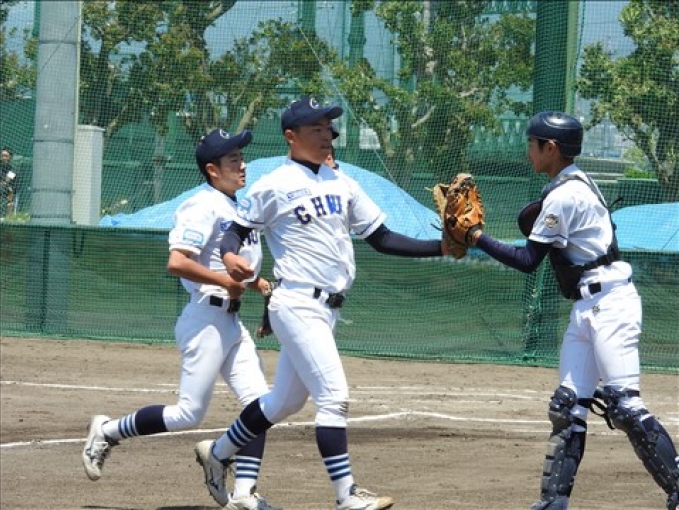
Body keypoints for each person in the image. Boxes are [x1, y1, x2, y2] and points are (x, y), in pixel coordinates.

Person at [194, 96, 445, 510]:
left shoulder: (342, 183)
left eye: (329, 127)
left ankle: (218, 453)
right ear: (291, 136)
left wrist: (442, 247)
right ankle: (346, 496)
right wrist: (229, 255)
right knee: (334, 396)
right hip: (295, 302)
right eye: (317, 128)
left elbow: (382, 238)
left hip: (327, 309)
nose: (328, 134)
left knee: (283, 402)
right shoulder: (273, 184)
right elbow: (234, 231)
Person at [463, 111, 679, 510]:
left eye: (532, 144)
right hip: (587, 305)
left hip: (612, 305)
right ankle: (553, 502)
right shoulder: (568, 183)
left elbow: (527, 260)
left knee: (625, 405)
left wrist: (476, 237)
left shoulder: (565, 194)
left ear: (551, 148)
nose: (528, 151)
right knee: (567, 407)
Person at [82, 128, 281, 510]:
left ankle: (244, 494)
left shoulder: (238, 208)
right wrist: (226, 282)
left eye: (242, 157)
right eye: (234, 160)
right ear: (212, 169)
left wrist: (259, 287)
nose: (243, 165)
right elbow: (177, 262)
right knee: (188, 414)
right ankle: (107, 431)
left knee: (261, 406)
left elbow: (237, 270)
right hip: (205, 319)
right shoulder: (201, 205)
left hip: (230, 322)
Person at [0, 146, 16, 218]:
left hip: (9, 188)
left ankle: (2, 216)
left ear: (10, 157)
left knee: (4, 189)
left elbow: (7, 181)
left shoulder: (13, 169)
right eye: (2, 156)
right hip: (2, 187)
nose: (4, 158)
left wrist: (3, 183)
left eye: (6, 156)